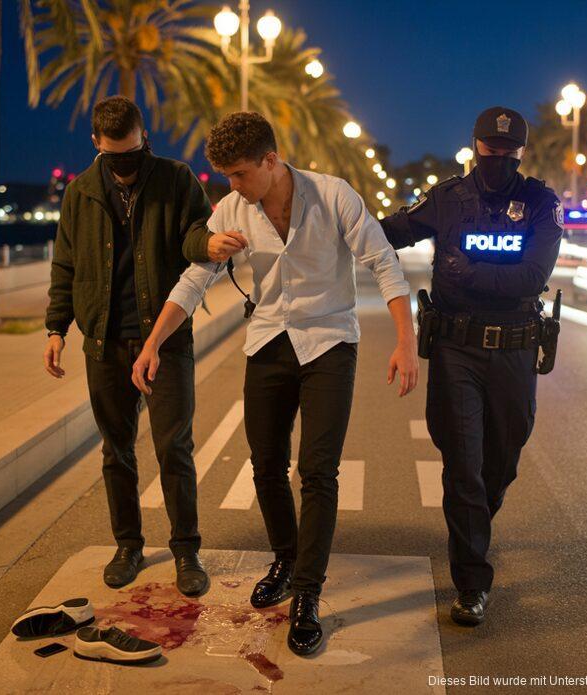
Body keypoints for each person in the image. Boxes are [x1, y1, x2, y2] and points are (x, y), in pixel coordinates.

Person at [131, 111, 418, 656]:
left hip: (330, 340)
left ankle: (308, 594)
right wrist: (153, 344)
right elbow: (193, 281)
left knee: (317, 469)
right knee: (264, 462)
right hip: (267, 341)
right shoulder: (231, 209)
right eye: (225, 177)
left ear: (270, 159)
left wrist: (406, 340)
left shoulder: (333, 196)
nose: (231, 186)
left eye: (239, 173)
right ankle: (286, 558)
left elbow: (383, 263)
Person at [43, 96, 243, 596]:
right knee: (116, 450)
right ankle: (128, 546)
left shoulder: (175, 179)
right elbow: (65, 263)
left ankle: (186, 550)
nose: (126, 167)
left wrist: (210, 246)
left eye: (134, 154)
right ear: (97, 145)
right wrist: (55, 328)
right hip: (104, 343)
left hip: (165, 339)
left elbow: (196, 233)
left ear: (144, 138)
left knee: (174, 447)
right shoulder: (81, 194)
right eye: (116, 158)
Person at [378, 106, 564, 627]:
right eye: (490, 149)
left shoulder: (540, 203)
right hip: (457, 350)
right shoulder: (448, 198)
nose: (498, 158)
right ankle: (471, 583)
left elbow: (532, 277)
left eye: (508, 151)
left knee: (501, 461)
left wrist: (468, 271)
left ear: (521, 152)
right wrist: (325, 225)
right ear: (474, 145)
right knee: (463, 465)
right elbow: (388, 233)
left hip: (515, 352)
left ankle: (474, 524)